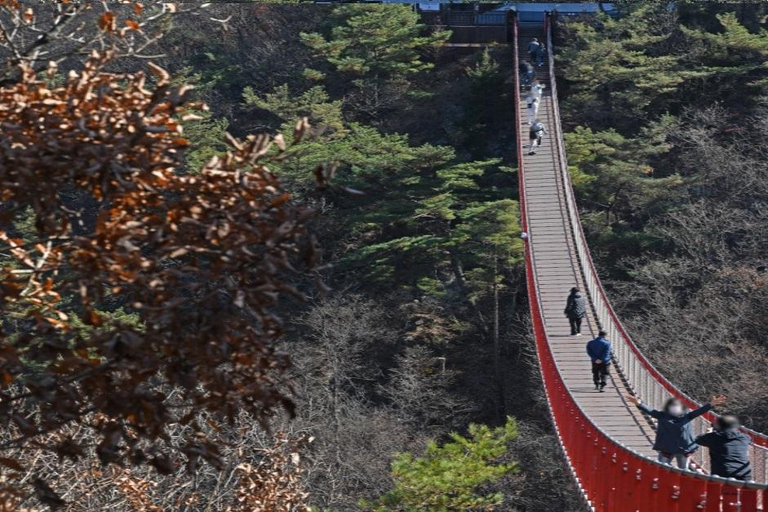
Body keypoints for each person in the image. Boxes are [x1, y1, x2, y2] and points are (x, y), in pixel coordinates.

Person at [626, 394, 727, 470]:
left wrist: (639, 403)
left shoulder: (662, 416)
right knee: (684, 470)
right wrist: (711, 404)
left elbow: (650, 411)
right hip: (684, 448)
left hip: (667, 447)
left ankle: (667, 485)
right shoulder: (687, 416)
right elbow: (700, 411)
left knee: (662, 468)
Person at [696, 415, 753, 481]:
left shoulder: (712, 437)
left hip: (722, 473)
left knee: (717, 488)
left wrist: (710, 433)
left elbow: (698, 440)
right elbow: (749, 440)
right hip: (744, 473)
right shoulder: (745, 438)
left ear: (719, 426)